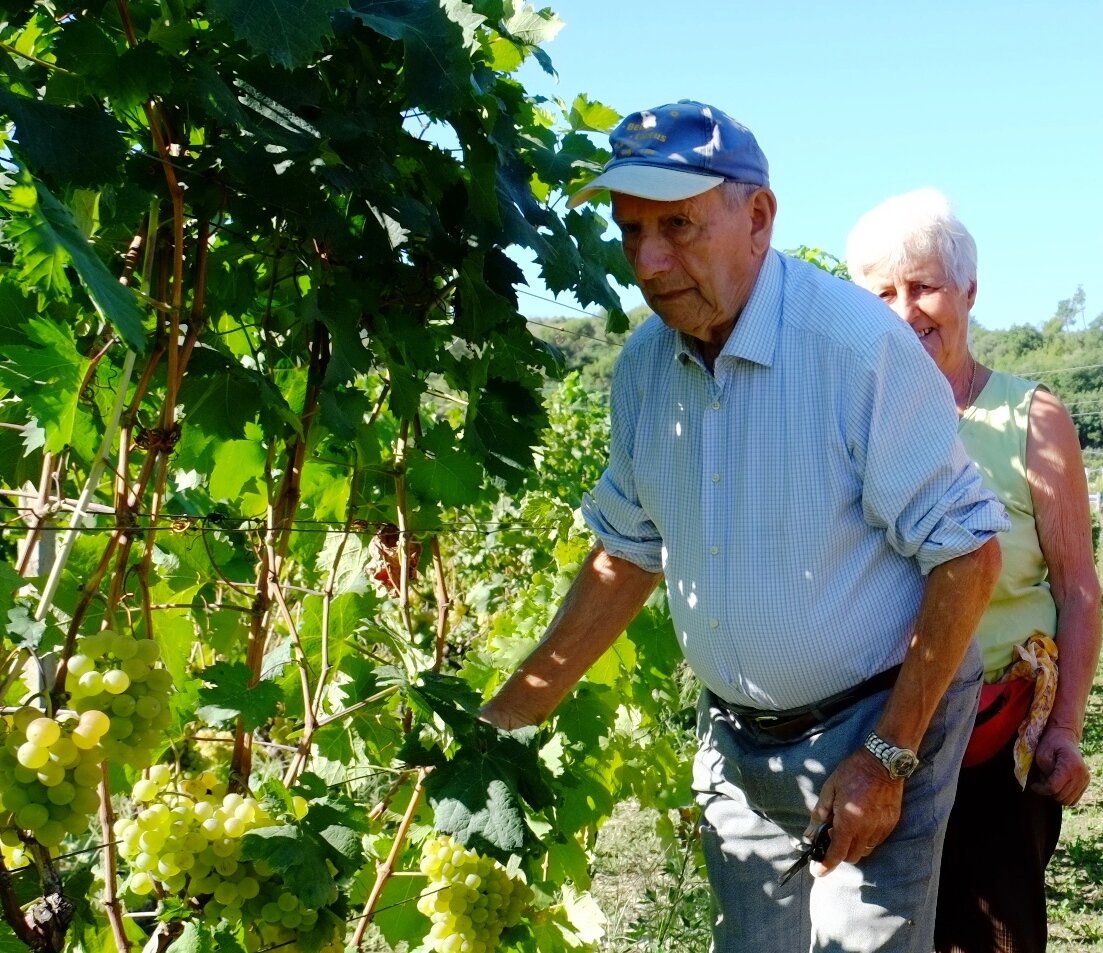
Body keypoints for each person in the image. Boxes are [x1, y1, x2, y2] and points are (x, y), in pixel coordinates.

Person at [480, 100, 1010, 953]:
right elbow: (626, 553)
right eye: (631, 231)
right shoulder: (647, 369)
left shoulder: (853, 349)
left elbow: (968, 554)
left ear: (757, 217)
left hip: (883, 715)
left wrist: (887, 756)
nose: (649, 263)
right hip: (738, 740)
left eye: (679, 227)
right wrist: (501, 719)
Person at [846, 189, 1102, 953]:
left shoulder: (1030, 417)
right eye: (881, 293)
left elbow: (1076, 585)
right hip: (869, 733)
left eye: (921, 285)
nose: (904, 309)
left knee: (991, 936)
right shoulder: (848, 420)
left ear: (968, 291)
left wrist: (1063, 729)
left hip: (995, 733)